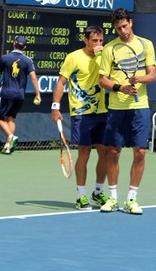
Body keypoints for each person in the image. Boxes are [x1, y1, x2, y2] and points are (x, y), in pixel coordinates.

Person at [98, 8, 156, 215]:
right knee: (113, 152)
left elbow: (152, 76)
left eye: (124, 26)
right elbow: (102, 79)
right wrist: (119, 87)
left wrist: (138, 79)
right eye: (118, 28)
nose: (122, 31)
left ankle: (131, 199)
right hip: (117, 108)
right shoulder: (109, 49)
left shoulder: (146, 44)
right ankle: (113, 198)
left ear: (130, 22)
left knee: (140, 152)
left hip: (139, 108)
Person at [50, 26, 108, 211]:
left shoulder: (105, 57)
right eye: (94, 40)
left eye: (101, 41)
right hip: (81, 113)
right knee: (84, 152)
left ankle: (98, 192)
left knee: (105, 153)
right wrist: (55, 107)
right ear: (86, 40)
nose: (98, 44)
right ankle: (81, 196)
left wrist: (101, 56)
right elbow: (61, 82)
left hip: (103, 111)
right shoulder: (73, 57)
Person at [0, 35, 41, 154]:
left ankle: (10, 136)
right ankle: (8, 146)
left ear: (14, 44)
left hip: (5, 93)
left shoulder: (5, 58)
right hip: (19, 95)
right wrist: (37, 94)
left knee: (0, 118)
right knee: (11, 118)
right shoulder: (28, 61)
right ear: (24, 47)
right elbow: (34, 78)